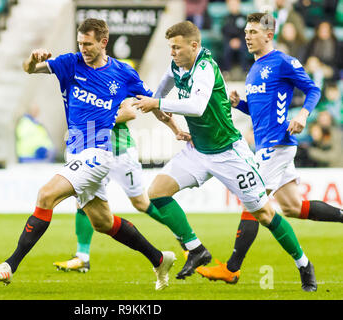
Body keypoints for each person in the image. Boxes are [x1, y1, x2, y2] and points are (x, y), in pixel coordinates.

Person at [0, 18, 176, 291]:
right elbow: (30, 69)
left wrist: (176, 128)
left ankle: (9, 266)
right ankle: (159, 258)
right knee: (103, 223)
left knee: (46, 194)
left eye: (88, 44)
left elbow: (152, 103)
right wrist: (31, 59)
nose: (83, 48)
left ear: (103, 42)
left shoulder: (123, 73)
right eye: (80, 43)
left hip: (98, 153)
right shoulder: (70, 63)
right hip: (75, 154)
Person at [132, 20, 317, 291]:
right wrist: (167, 119)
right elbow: (158, 94)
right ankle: (196, 250)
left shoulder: (206, 67)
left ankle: (304, 264)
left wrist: (157, 103)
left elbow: (195, 106)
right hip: (198, 150)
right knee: (157, 192)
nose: (172, 53)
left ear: (194, 46)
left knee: (265, 214)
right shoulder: (176, 66)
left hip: (228, 153)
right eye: (170, 47)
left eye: (177, 48)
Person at [195, 13, 342, 286]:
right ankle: (307, 265)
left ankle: (232, 268)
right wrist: (240, 104)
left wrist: (303, 115)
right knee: (293, 207)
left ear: (268, 35)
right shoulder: (254, 68)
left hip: (276, 145)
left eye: (253, 32)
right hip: (269, 144)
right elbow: (260, 112)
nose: (247, 36)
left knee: (252, 201)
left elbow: (312, 90)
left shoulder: (283, 62)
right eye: (246, 32)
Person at [53, 98, 196, 272]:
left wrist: (94, 118)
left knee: (141, 203)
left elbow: (129, 112)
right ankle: (82, 257)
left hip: (122, 154)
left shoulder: (115, 79)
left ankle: (182, 236)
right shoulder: (86, 84)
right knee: (83, 201)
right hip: (95, 154)